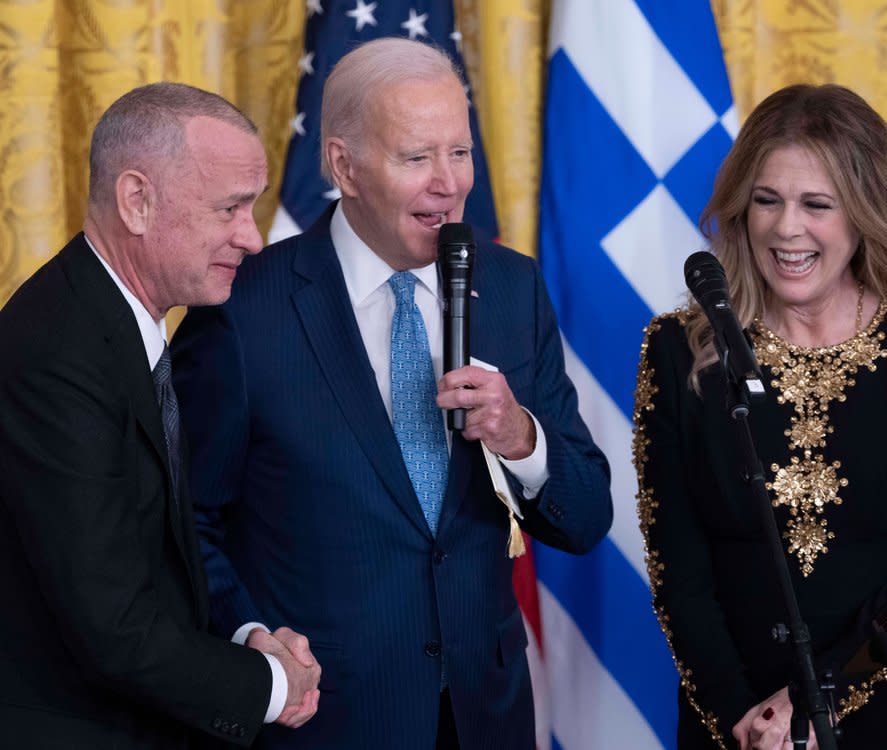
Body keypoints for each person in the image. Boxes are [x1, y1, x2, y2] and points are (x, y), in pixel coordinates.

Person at [170, 37, 613, 750]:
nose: (450, 183)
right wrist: (251, 636)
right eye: (417, 158)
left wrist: (520, 437)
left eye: (460, 153)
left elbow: (586, 517)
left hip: (484, 716)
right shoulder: (243, 309)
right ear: (345, 165)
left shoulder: (510, 287)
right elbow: (185, 522)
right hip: (324, 720)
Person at [634, 83, 887, 750]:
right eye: (766, 200)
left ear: (865, 214)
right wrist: (744, 717)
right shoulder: (679, 351)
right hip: (744, 727)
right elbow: (677, 573)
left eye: (816, 205)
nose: (785, 228)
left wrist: (812, 702)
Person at [0, 82, 323, 748]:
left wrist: (244, 635)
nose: (254, 238)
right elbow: (113, 630)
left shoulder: (112, 322)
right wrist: (269, 685)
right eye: (230, 208)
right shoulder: (56, 356)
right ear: (136, 201)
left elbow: (148, 559)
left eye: (253, 207)